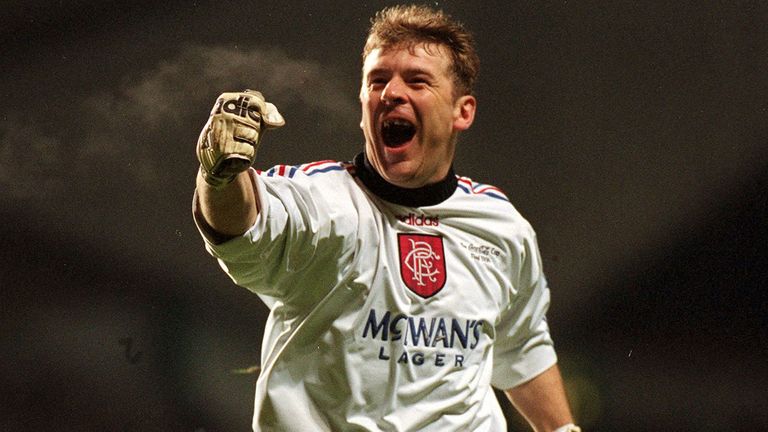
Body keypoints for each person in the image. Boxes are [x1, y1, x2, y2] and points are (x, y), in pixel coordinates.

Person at [193, 4, 580, 432]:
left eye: (416, 80)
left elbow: (521, 346)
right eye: (377, 80)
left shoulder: (501, 226)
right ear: (363, 104)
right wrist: (220, 175)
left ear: (462, 111)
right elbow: (240, 228)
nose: (391, 93)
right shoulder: (322, 202)